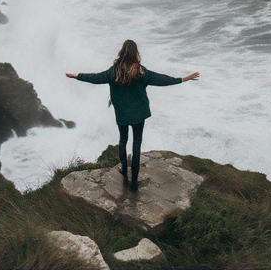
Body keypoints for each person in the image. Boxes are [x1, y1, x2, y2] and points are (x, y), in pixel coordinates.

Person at [65, 39, 199, 191]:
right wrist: (182, 79)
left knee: (123, 140)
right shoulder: (141, 72)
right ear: (136, 53)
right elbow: (162, 80)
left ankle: (123, 168)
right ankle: (134, 182)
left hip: (122, 113)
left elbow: (96, 78)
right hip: (139, 114)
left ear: (122, 52)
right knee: (136, 144)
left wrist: (77, 75)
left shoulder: (114, 71)